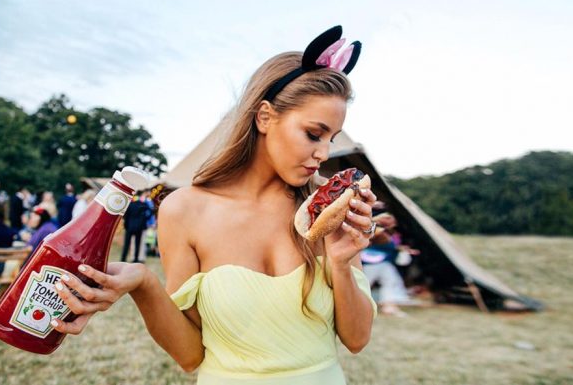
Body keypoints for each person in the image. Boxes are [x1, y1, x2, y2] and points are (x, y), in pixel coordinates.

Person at [51, 25, 378, 385]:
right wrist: (144, 284)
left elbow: (357, 340)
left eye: (330, 139)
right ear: (265, 116)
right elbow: (190, 355)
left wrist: (342, 264)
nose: (323, 153)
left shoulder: (324, 211)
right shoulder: (183, 211)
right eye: (313, 135)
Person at [361, 212, 420, 317]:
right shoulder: (375, 230)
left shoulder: (391, 233)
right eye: (390, 221)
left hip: (383, 263)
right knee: (364, 284)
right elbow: (385, 244)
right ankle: (354, 305)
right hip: (371, 261)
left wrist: (403, 249)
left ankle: (388, 306)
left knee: (390, 281)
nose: (393, 223)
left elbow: (391, 245)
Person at [121, 193, 152, 263]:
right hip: (139, 227)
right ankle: (135, 259)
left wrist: (126, 222)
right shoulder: (143, 205)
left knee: (126, 244)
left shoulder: (130, 205)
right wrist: (145, 219)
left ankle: (123, 259)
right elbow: (151, 211)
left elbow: (125, 215)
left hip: (129, 227)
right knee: (137, 244)